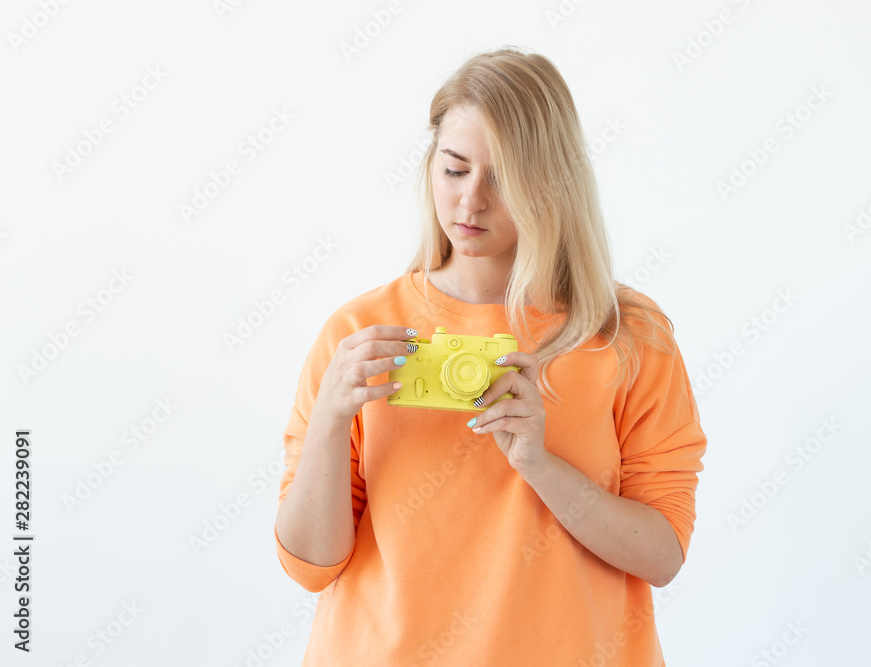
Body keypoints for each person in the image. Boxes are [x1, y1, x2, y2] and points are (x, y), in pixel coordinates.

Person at [273, 45, 708, 666]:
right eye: (454, 170)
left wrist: (540, 464)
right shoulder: (358, 333)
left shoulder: (625, 334)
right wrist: (330, 419)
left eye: (501, 179)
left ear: (551, 183)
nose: (470, 201)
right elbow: (309, 566)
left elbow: (662, 555)